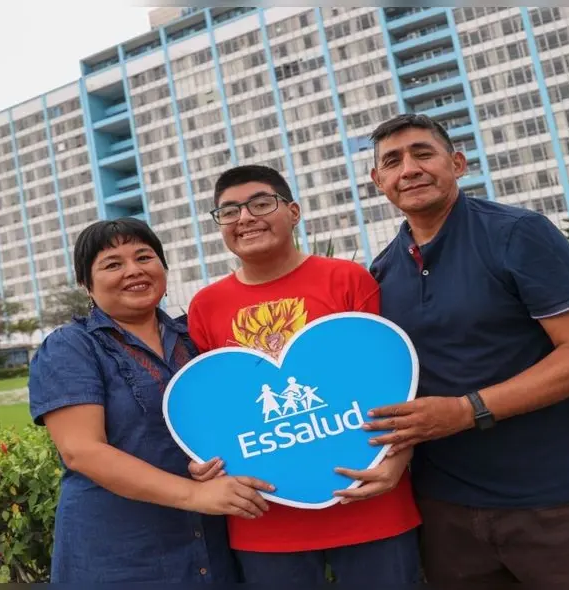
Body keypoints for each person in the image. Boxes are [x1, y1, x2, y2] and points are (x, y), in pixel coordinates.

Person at [361, 114, 569, 587]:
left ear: (458, 163)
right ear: (378, 181)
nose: (409, 169)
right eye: (392, 161)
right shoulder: (383, 271)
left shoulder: (518, 233)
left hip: (556, 500)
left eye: (423, 153)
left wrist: (466, 411)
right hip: (446, 509)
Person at [184, 165, 422, 584]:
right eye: (230, 211)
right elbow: (216, 403)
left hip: (371, 500)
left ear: (293, 212)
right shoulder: (205, 305)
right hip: (266, 518)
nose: (245, 218)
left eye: (261, 204)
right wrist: (204, 458)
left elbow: (394, 378)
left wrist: (399, 460)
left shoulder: (347, 279)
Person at [27, 218, 274, 584]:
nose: (134, 270)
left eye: (144, 257)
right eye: (113, 264)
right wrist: (194, 494)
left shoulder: (194, 336)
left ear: (163, 266)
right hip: (120, 555)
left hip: (212, 548)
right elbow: (81, 450)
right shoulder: (72, 346)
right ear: (86, 283)